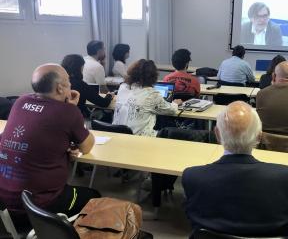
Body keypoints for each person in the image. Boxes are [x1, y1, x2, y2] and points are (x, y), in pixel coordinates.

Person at [182, 101, 288, 237]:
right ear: (259, 136)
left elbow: (190, 216)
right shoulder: (286, 176)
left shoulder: (192, 177)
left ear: (217, 134)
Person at [0, 64, 100, 223]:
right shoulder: (68, 112)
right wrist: (72, 110)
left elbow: (39, 134)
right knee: (94, 197)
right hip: (38, 208)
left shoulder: (21, 101)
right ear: (60, 88)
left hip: (4, 201)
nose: (70, 85)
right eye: (68, 82)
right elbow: (87, 147)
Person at [113, 59, 182, 136]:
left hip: (117, 135)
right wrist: (175, 103)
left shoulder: (123, 87)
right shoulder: (151, 93)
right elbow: (171, 110)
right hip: (141, 139)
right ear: (153, 76)